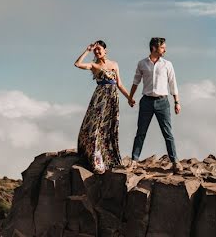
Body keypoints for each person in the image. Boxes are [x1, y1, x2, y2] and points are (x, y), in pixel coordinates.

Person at [74, 40, 135, 173]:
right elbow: (77, 64)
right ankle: (95, 159)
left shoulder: (114, 64)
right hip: (100, 99)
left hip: (112, 99)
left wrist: (129, 98)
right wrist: (87, 50)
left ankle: (109, 158)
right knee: (96, 127)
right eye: (95, 50)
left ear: (105, 50)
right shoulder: (93, 65)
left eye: (99, 49)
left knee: (109, 127)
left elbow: (119, 84)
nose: (97, 51)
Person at [128, 37, 181, 170]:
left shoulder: (167, 64)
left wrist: (177, 102)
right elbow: (136, 81)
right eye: (162, 47)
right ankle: (134, 160)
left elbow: (172, 83)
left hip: (163, 102)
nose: (165, 50)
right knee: (141, 132)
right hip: (146, 102)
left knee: (167, 133)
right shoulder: (142, 64)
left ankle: (175, 161)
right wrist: (130, 97)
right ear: (154, 48)